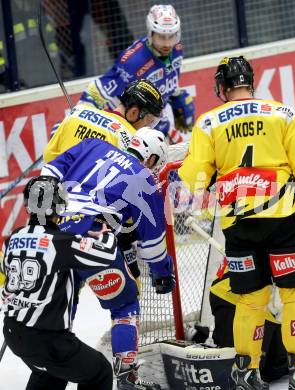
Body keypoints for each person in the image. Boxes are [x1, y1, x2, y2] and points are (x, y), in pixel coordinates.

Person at [178, 56, 295, 390]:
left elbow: (193, 181)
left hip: (239, 227)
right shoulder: (282, 114)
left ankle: (246, 374)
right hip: (284, 221)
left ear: (222, 87)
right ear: (250, 83)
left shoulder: (208, 122)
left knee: (250, 300)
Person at [41, 129, 174, 390]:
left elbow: (49, 173)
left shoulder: (92, 145)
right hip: (93, 238)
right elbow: (153, 241)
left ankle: (53, 362)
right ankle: (127, 376)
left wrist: (43, 216)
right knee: (124, 306)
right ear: (150, 158)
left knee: (65, 304)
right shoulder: (145, 178)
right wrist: (161, 273)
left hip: (55, 234)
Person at [1, 175, 118, 390]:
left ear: (28, 205)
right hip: (47, 341)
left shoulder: (12, 238)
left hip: (12, 331)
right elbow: (107, 254)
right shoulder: (60, 242)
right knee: (99, 372)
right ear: (59, 207)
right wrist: (107, 230)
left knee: (52, 374)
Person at [79, 4, 195, 144]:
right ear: (150, 33)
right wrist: (80, 119)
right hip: (119, 125)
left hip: (150, 119)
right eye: (161, 37)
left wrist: (176, 94)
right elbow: (98, 93)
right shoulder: (134, 62)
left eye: (172, 36)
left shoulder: (177, 49)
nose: (167, 43)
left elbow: (166, 76)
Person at [44, 78, 164, 162]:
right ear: (133, 113)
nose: (148, 127)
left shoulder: (78, 112)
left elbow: (48, 156)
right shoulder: (133, 141)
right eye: (149, 120)